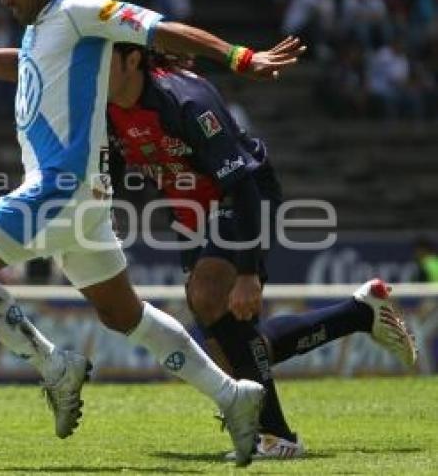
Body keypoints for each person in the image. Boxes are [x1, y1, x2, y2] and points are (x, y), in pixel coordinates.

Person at [0, 0, 304, 465]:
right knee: (124, 315)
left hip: (59, 185)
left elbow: (166, 30)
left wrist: (239, 57)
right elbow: (24, 67)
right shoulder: (41, 27)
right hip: (83, 198)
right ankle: (231, 396)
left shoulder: (82, 10)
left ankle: (55, 367)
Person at [105, 43, 417, 459]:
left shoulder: (187, 102)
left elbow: (243, 185)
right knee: (231, 357)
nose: (89, 68)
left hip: (243, 198)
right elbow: (111, 174)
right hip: (190, 213)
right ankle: (360, 313)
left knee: (208, 297)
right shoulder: (104, 108)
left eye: (100, 57)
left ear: (131, 59)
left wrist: (248, 272)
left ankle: (277, 435)